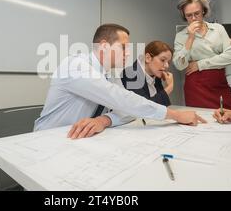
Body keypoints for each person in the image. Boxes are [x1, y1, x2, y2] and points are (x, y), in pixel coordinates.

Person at [34, 23, 206, 139]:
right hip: (47, 139)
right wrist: (175, 115)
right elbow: (122, 99)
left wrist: (104, 120)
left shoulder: (110, 73)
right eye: (123, 47)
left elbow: (127, 109)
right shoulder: (76, 65)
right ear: (104, 46)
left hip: (77, 138)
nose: (127, 53)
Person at [173, 0, 231, 110]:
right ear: (184, 16)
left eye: (196, 13)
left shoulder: (218, 29)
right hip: (195, 85)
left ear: (203, 10)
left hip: (219, 82)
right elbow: (179, 65)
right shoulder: (181, 36)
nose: (193, 18)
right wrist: (190, 37)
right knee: (200, 121)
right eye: (189, 15)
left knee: (228, 115)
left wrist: (200, 64)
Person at [121, 41, 174, 106]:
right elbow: (144, 108)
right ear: (148, 58)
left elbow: (164, 105)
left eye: (168, 62)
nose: (166, 66)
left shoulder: (155, 73)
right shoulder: (131, 74)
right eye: (162, 60)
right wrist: (169, 88)